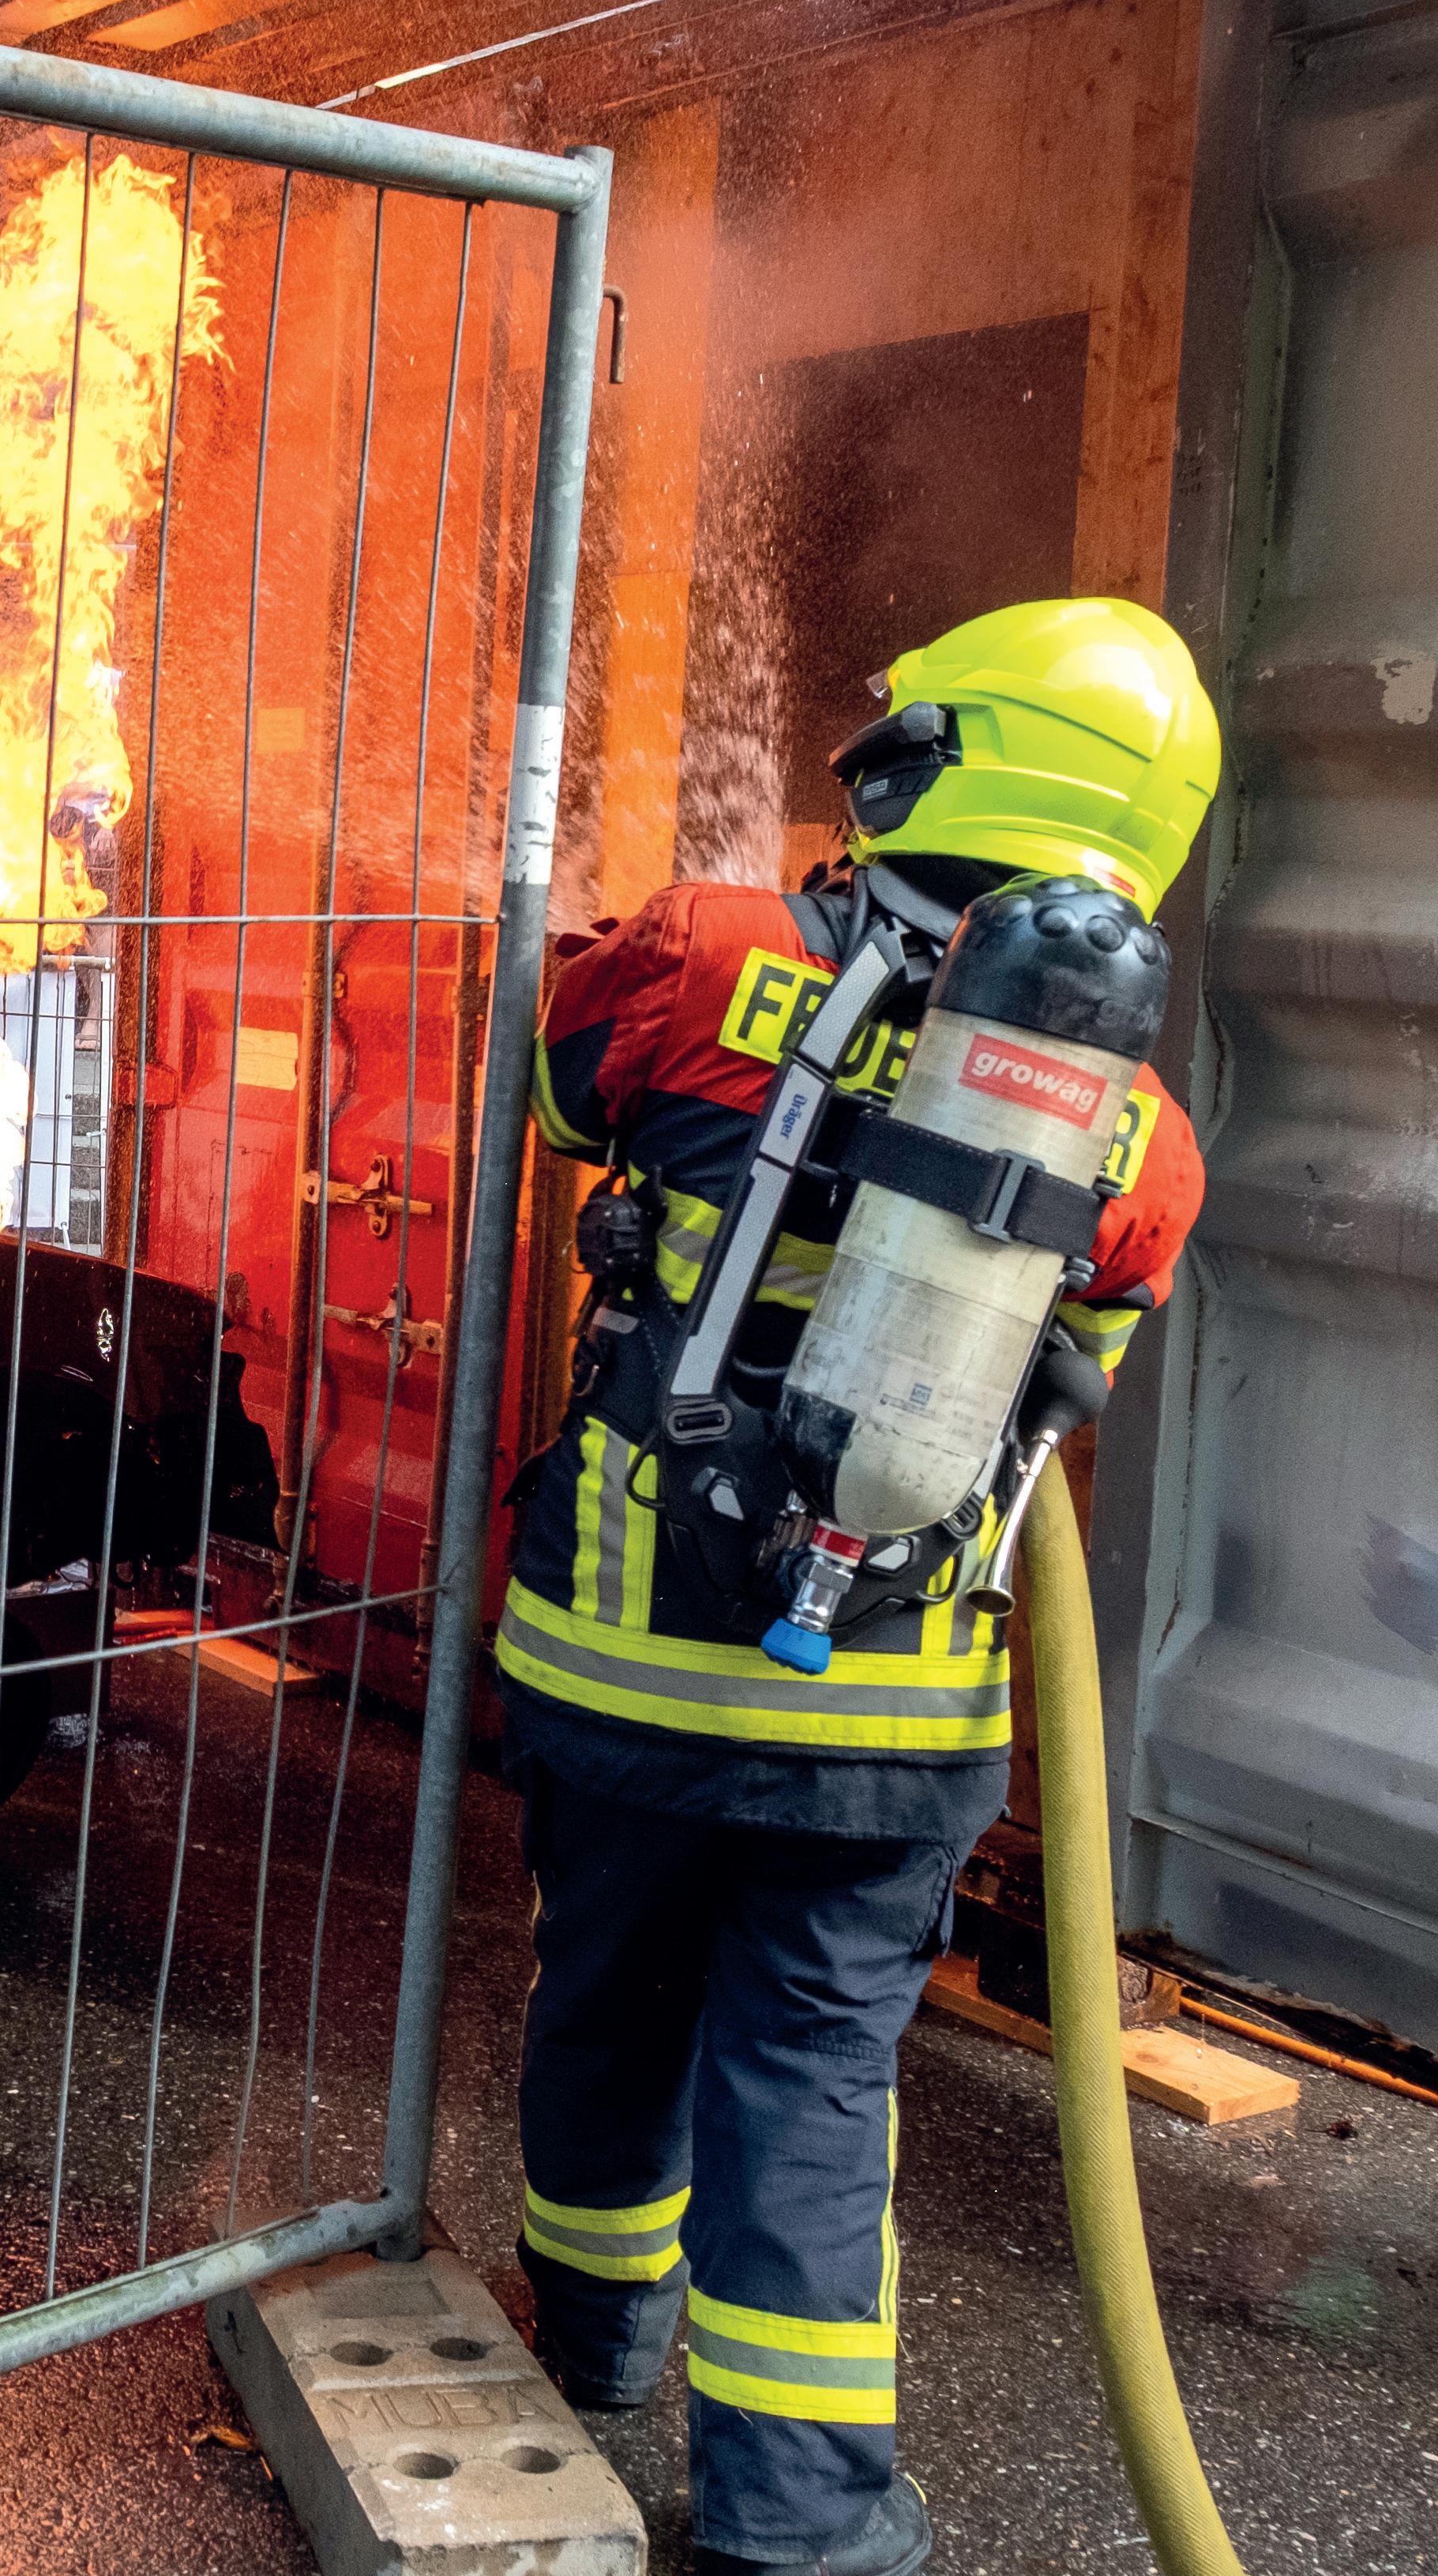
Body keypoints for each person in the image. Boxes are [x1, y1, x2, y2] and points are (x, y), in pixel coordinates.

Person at [495, 599, 1218, 2576]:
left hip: (626, 1671)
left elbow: (557, 1105)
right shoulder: (1136, 1138)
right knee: (808, 2085)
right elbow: (1064, 1400)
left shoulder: (696, 954)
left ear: (941, 756)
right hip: (888, 1736)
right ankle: (798, 2524)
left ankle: (584, 2351)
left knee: (605, 2008)